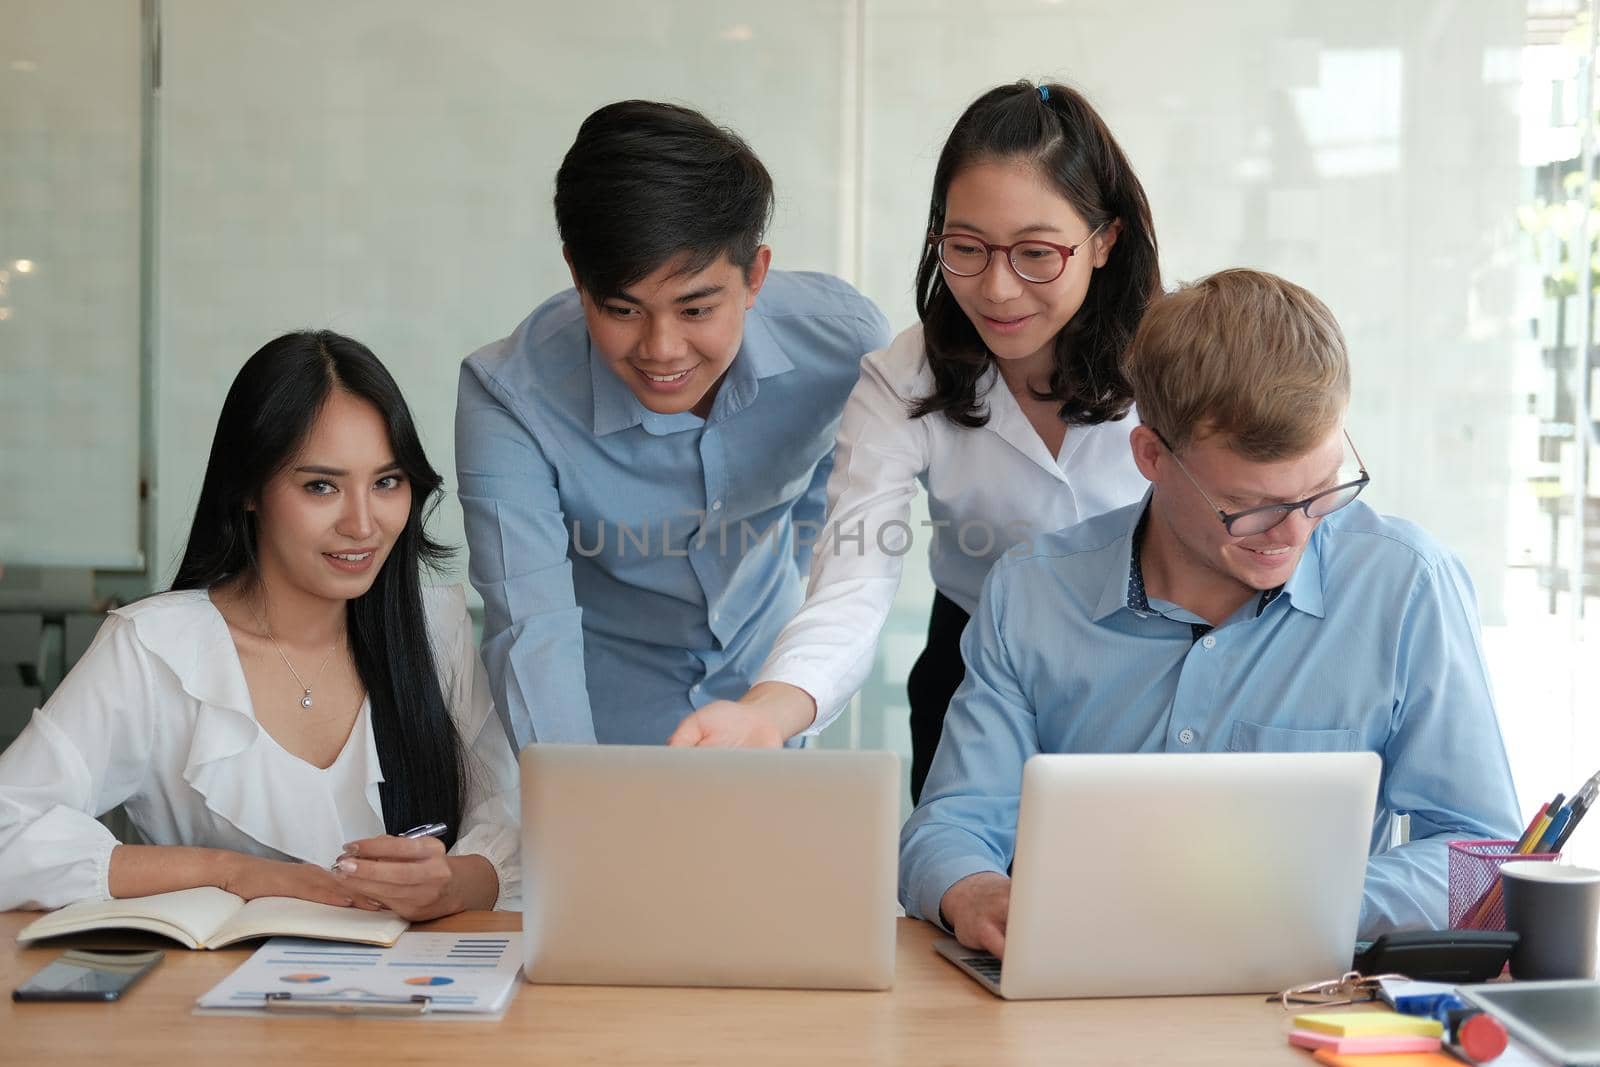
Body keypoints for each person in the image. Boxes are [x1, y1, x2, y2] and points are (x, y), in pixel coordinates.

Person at [899, 269, 1521, 952]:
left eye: (1322, 489)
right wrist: (973, 887)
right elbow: (950, 825)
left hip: (1310, 1007)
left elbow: (1483, 854)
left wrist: (1304, 903)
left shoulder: (1408, 586)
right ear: (1151, 457)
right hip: (1083, 1001)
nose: (1295, 532)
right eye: (1253, 506)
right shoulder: (1031, 596)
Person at [669, 82, 1157, 802]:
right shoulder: (905, 378)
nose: (996, 288)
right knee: (969, 895)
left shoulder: (1177, 359)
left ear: (1104, 241)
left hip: (1157, 667)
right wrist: (768, 711)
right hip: (977, 671)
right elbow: (851, 583)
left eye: (1036, 254)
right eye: (965, 248)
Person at [0, 331, 519, 917]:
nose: (363, 523)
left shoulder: (432, 631)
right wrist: (230, 872)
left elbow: (514, 834)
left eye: (386, 483)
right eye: (321, 486)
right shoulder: (155, 649)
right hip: (203, 1003)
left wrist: (449, 884)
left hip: (413, 997)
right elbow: (8, 833)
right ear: (248, 488)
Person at [457, 100, 890, 748]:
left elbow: (834, 490)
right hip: (598, 724)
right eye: (622, 309)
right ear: (578, 275)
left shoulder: (842, 344)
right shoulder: (508, 395)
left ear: (755, 276)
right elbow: (530, 626)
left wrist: (791, 593)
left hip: (768, 708)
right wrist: (575, 808)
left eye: (695, 308)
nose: (661, 348)